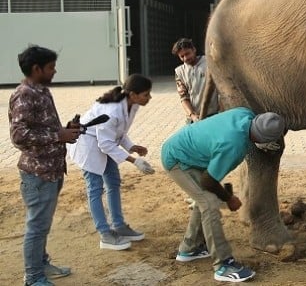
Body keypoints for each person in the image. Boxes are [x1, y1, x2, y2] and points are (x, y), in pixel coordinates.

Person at [161, 107, 285, 283]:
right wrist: (229, 198)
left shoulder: (245, 114)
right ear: (262, 139)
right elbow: (208, 181)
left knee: (203, 200)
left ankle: (190, 248)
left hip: (190, 152)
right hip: (177, 159)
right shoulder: (235, 146)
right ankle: (223, 266)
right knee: (210, 204)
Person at [8, 45, 81, 286]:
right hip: (37, 173)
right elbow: (19, 136)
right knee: (37, 226)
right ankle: (33, 276)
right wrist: (57, 137)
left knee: (43, 224)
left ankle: (42, 264)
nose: (55, 71)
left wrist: (66, 130)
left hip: (51, 170)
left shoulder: (42, 91)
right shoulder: (24, 94)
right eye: (50, 67)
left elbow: (45, 127)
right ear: (36, 69)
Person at [67, 74, 156, 251]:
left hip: (103, 143)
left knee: (113, 182)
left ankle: (118, 225)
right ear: (133, 94)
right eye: (146, 94)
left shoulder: (132, 105)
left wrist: (132, 146)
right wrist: (134, 160)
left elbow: (119, 132)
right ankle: (105, 234)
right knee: (95, 188)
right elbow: (105, 143)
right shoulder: (112, 111)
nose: (149, 97)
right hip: (89, 145)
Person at [172, 37, 219, 124]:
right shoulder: (179, 72)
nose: (185, 58)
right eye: (182, 56)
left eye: (187, 54)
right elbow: (183, 97)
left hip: (214, 115)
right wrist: (192, 115)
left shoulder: (210, 61)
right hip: (195, 118)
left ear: (194, 49)